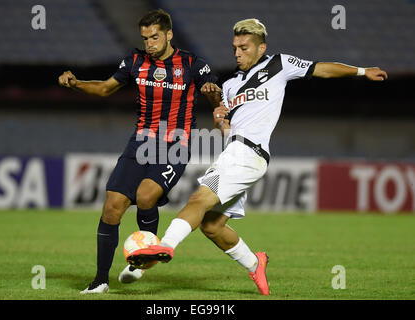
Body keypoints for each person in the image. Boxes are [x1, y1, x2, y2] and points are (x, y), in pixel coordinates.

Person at [127, 18, 388, 295]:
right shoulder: (229, 85)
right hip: (235, 152)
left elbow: (320, 69)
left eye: (244, 47)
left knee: (198, 199)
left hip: (247, 153)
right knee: (212, 225)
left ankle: (164, 246)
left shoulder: (279, 65)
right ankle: (255, 264)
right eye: (235, 47)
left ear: (261, 48)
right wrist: (220, 115)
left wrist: (361, 71)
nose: (238, 52)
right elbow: (226, 124)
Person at [58, 9, 221, 294]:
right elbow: (106, 88)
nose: (149, 43)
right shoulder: (135, 61)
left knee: (146, 195)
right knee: (112, 205)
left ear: (169, 34)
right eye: (145, 38)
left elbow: (217, 95)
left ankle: (143, 259)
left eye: (155, 37)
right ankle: (100, 281)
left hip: (176, 143)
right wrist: (77, 83)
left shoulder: (194, 64)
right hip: (141, 142)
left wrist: (211, 92)